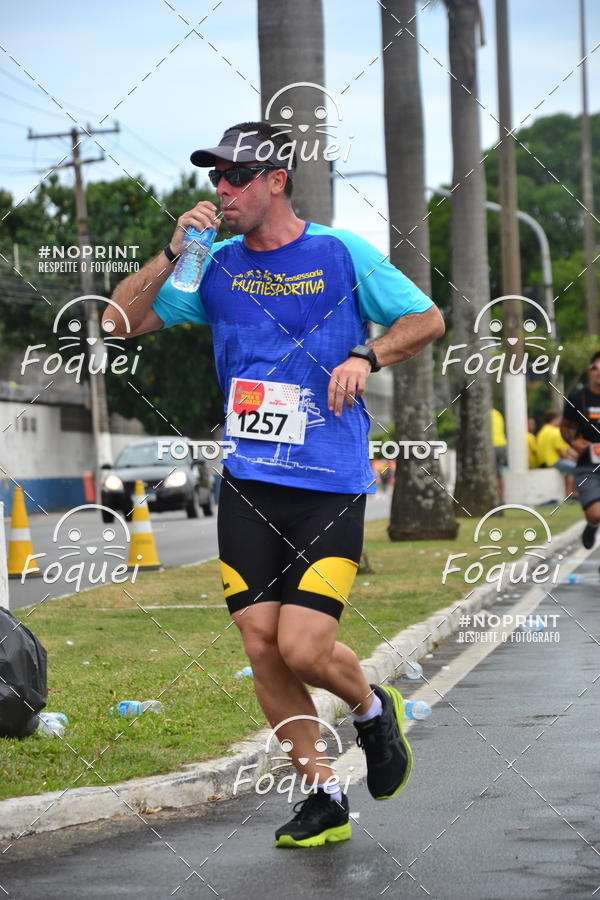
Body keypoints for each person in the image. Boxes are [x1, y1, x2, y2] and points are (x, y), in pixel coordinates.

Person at [104, 121, 444, 848]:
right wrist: (172, 252)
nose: (221, 189)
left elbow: (427, 317)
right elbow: (117, 321)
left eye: (236, 176)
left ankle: (372, 710)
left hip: (329, 483)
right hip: (249, 483)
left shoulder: (340, 253)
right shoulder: (211, 266)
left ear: (276, 181)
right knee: (262, 645)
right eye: (215, 177)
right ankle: (324, 794)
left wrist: (367, 355)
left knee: (304, 647)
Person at [561, 352, 600, 548]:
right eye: (595, 368)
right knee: (595, 514)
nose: (599, 372)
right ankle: (592, 526)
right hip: (588, 466)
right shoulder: (578, 398)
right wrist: (572, 442)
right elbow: (564, 426)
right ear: (589, 372)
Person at [536, 410, 576, 498]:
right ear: (555, 419)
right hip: (553, 461)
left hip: (542, 462)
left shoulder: (542, 431)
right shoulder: (556, 431)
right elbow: (562, 452)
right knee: (576, 467)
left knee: (571, 465)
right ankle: (571, 494)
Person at [491, 408, 508, 502]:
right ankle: (502, 497)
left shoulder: (484, 415)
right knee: (499, 474)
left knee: (492, 473)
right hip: (502, 444)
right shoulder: (497, 413)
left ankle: (497, 498)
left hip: (492, 446)